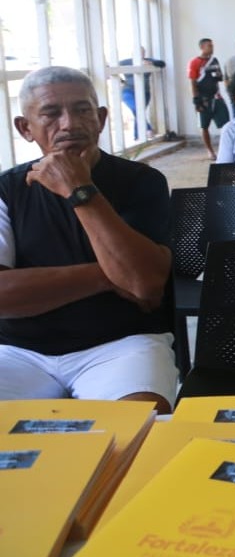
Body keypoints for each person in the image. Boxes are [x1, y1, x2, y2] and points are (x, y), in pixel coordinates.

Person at [0, 67, 177, 412]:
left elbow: (144, 284)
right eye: (51, 113)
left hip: (123, 343)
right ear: (25, 128)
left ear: (101, 118)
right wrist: (108, 276)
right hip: (20, 350)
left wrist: (80, 191)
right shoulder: (7, 190)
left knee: (138, 430)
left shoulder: (142, 181)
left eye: (82, 110)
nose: (69, 124)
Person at [187, 37, 229, 160]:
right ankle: (210, 151)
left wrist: (218, 76)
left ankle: (225, 149)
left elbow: (220, 77)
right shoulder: (194, 62)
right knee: (204, 126)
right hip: (203, 98)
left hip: (217, 97)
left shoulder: (214, 60)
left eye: (212, 45)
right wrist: (196, 99)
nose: (212, 48)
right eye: (209, 46)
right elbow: (193, 82)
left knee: (226, 124)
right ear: (202, 47)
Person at [118, 48, 165, 139]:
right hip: (129, 91)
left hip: (144, 92)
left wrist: (151, 64)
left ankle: (137, 137)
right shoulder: (126, 62)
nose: (140, 55)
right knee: (137, 110)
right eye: (138, 53)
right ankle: (148, 129)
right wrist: (121, 81)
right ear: (132, 54)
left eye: (142, 53)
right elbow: (111, 67)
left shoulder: (148, 61)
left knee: (138, 113)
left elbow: (162, 64)